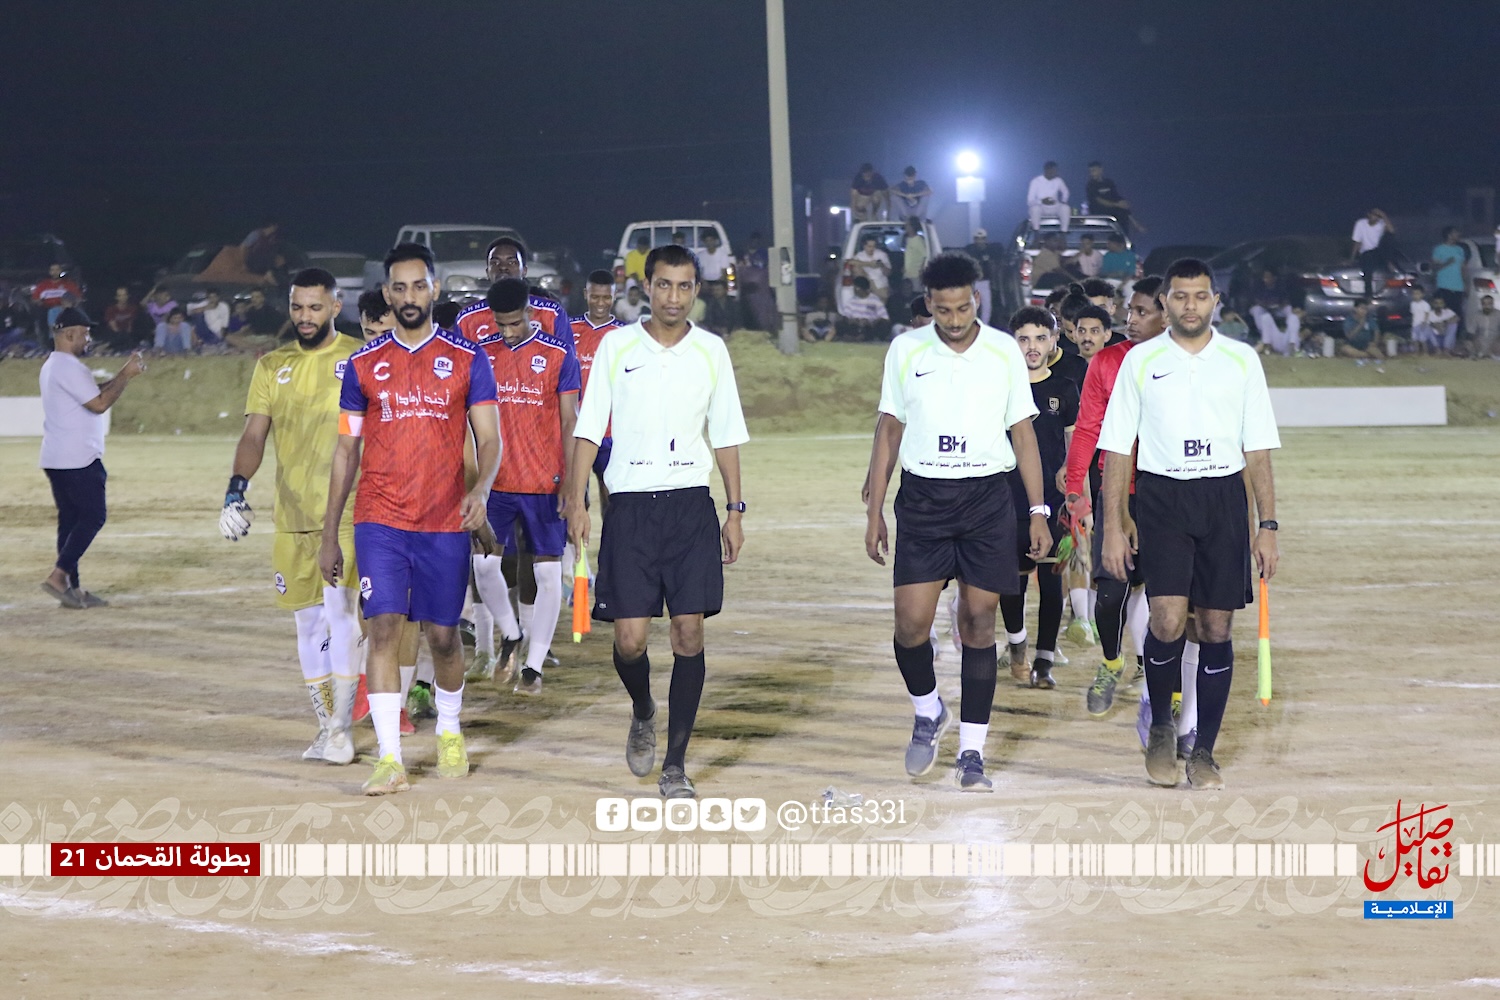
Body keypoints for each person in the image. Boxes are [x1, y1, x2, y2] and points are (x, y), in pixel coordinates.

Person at [564, 243, 749, 800]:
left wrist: (735, 510)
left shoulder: (712, 351)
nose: (674, 296)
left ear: (697, 290)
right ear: (646, 287)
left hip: (690, 506)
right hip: (631, 508)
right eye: (664, 284)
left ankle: (675, 764)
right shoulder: (617, 347)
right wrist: (577, 501)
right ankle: (643, 707)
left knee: (689, 633)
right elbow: (588, 428)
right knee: (629, 641)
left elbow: (726, 434)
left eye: (684, 286)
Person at [864, 252, 1051, 792]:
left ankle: (972, 753)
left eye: (963, 308)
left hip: (987, 499)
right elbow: (890, 429)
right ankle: (928, 710)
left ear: (977, 300)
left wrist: (1037, 511)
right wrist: (875, 509)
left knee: (978, 622)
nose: (953, 319)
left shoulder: (1002, 351)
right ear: (929, 304)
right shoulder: (906, 349)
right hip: (923, 499)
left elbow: (1023, 433)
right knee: (910, 626)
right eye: (943, 310)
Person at [320, 242, 502, 795]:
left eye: (418, 286)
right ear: (387, 293)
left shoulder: (468, 359)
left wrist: (481, 490)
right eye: (398, 288)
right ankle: (390, 759)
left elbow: (490, 438)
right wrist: (330, 532)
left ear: (434, 289)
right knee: (383, 629)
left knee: (443, 638)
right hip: (380, 519)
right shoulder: (363, 366)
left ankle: (449, 730)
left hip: (444, 520)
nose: (409, 296)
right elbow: (346, 451)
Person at [1098, 258, 1281, 789]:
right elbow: (1116, 450)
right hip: (1163, 498)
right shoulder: (1141, 361)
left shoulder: (1242, 360)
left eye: (1201, 296)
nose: (1191, 305)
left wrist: (1267, 525)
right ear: (1165, 303)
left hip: (1223, 499)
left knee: (1217, 627)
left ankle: (1203, 751)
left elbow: (1258, 450)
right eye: (1180, 296)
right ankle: (1161, 725)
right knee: (1168, 620)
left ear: (1215, 301)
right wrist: (1114, 526)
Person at [220, 268, 364, 765]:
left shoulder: (358, 358)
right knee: (307, 624)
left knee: (341, 617)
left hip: (345, 513)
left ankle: (343, 730)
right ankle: (326, 726)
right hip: (292, 514)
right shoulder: (271, 365)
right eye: (298, 307)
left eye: (315, 307)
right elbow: (254, 435)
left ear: (335, 307)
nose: (305, 316)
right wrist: (236, 488)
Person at [457, 235, 576, 675]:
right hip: (495, 479)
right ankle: (505, 637)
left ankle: (534, 663)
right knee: (484, 562)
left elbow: (570, 415)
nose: (507, 332)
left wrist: (573, 482)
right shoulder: (477, 344)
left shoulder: (555, 341)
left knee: (542, 569)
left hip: (544, 477)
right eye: (497, 261)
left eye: (512, 261)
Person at [1064, 277, 1180, 724]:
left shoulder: (1184, 362)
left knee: (1171, 604)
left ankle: (1171, 691)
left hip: (1169, 495)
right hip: (1117, 492)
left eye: (1141, 312)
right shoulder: (1108, 362)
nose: (1129, 320)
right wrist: (1076, 487)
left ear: (1166, 315)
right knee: (1110, 595)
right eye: (1129, 310)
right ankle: (1112, 662)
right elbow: (1087, 428)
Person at [38, 307, 146, 609]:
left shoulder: (54, 365)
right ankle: (59, 576)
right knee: (93, 516)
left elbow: (90, 394)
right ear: (70, 334)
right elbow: (98, 404)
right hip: (78, 459)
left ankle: (71, 590)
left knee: (70, 522)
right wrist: (126, 375)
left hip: (58, 458)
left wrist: (121, 375)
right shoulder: (70, 367)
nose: (88, 339)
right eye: (85, 333)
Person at [999, 307, 1078, 689]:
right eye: (1023, 339)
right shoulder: (1000, 387)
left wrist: (1075, 488)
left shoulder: (1065, 389)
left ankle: (1044, 660)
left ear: (1054, 341)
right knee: (1011, 582)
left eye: (1040, 338)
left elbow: (1074, 444)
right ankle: (1017, 644)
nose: (1032, 346)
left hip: (1055, 501)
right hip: (1007, 499)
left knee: (1052, 580)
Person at [1249, 268, 1300, 355]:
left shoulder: (1280, 286)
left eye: (1268, 277)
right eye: (1264, 277)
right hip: (1266, 310)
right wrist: (1267, 306)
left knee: (1293, 316)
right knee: (1262, 314)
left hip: (1279, 311)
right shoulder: (1260, 287)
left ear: (1274, 278)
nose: (1265, 279)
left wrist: (1278, 306)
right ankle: (1266, 344)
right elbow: (1256, 301)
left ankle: (1293, 346)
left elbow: (1285, 301)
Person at [1085, 161, 1142, 233]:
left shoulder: (1109, 182)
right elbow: (1099, 200)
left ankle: (1134, 225)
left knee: (1123, 209)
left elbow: (1116, 196)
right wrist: (1116, 204)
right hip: (1099, 211)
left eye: (1094, 170)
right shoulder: (1091, 185)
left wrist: (1122, 203)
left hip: (1114, 211)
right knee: (1119, 211)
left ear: (1100, 170)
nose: (1091, 173)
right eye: (1090, 171)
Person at [1349, 208, 1395, 297]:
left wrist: (1383, 215)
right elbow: (1357, 242)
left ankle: (1388, 262)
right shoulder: (1360, 224)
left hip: (1378, 252)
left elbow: (1392, 231)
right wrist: (1351, 259)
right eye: (1374, 215)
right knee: (1368, 267)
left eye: (1378, 216)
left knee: (1389, 238)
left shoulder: (1381, 224)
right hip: (1366, 254)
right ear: (1369, 214)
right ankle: (1368, 294)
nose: (1375, 218)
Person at [1431, 227, 1467, 332]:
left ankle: (1456, 335)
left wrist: (1466, 283)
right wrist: (1447, 263)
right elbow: (1434, 268)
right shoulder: (1439, 249)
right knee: (1446, 311)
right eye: (1456, 232)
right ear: (1449, 235)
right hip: (1444, 285)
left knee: (1457, 312)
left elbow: (1463, 268)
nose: (1458, 234)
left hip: (1458, 286)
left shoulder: (1459, 250)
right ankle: (1444, 333)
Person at [965, 229, 1002, 324]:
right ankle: (971, 324)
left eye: (982, 239)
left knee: (987, 306)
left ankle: (985, 325)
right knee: (971, 305)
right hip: (972, 282)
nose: (980, 241)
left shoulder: (990, 250)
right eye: (977, 239)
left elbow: (994, 265)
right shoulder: (969, 250)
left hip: (985, 282)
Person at [837, 276, 890, 341]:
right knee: (840, 323)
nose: (854, 290)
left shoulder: (875, 300)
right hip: (855, 325)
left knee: (882, 325)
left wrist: (871, 322)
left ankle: (862, 337)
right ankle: (853, 337)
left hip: (869, 327)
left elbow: (885, 318)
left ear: (860, 289)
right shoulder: (852, 301)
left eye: (855, 287)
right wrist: (854, 321)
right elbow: (846, 316)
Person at [1026, 161, 1070, 232]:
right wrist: (1042, 201)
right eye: (1053, 170)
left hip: (1054, 206)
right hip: (1041, 207)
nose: (1055, 172)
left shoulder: (1059, 180)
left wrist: (1064, 201)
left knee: (1065, 208)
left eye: (1056, 170)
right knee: (1035, 209)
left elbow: (1065, 192)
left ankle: (1063, 232)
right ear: (1047, 170)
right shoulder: (1036, 181)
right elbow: (1030, 201)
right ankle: (1036, 231)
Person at [851, 234, 892, 301]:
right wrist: (869, 264)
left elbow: (888, 273)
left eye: (874, 246)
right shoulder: (859, 256)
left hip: (881, 284)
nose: (872, 249)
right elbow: (851, 262)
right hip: (866, 284)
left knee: (883, 297)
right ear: (864, 246)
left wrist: (882, 265)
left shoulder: (882, 255)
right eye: (869, 246)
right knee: (856, 268)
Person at [103, 287, 144, 352]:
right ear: (116, 297)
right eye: (120, 296)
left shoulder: (132, 308)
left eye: (124, 295)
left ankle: (110, 349)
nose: (123, 297)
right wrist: (122, 335)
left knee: (130, 342)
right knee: (122, 337)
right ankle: (106, 346)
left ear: (127, 296)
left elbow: (131, 325)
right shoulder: (111, 309)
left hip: (128, 334)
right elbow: (114, 327)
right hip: (115, 334)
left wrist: (127, 333)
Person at [901, 216, 928, 301]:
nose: (905, 226)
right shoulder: (907, 239)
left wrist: (921, 270)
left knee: (916, 295)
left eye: (907, 225)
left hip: (916, 274)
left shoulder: (918, 240)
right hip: (907, 273)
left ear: (913, 226)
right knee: (906, 295)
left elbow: (925, 256)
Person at [1469, 294, 1499, 359]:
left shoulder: (1498, 314)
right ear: (1481, 305)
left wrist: (1497, 340)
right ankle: (1480, 355)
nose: (1486, 306)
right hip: (1480, 341)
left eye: (1489, 304)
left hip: (1495, 341)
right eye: (1484, 304)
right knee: (1468, 343)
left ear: (1493, 304)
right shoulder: (1476, 315)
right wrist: (1475, 340)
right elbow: (1472, 332)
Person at [1408, 285, 1435, 356]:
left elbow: (1427, 314)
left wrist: (1424, 322)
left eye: (1417, 294)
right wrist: (1413, 323)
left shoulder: (1425, 304)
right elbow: (1413, 314)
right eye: (1414, 294)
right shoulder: (1412, 304)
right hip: (1415, 324)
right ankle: (1416, 352)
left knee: (1423, 339)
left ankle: (1425, 352)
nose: (1415, 295)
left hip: (1423, 324)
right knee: (1415, 339)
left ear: (1422, 295)